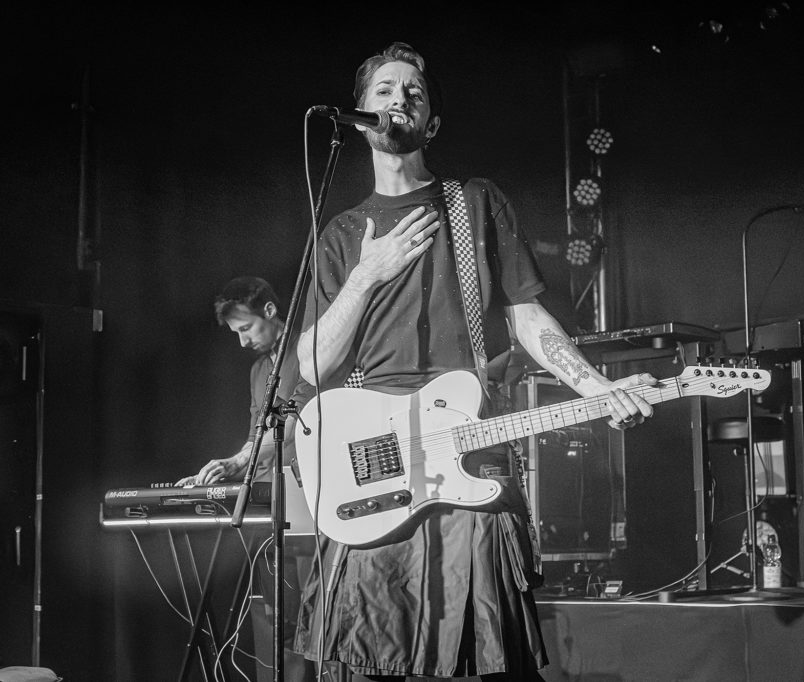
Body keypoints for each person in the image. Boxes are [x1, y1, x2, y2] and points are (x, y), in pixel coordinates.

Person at [293, 42, 655, 681]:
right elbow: (312, 367)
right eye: (384, 91)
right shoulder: (343, 235)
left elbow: (529, 319)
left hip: (470, 455)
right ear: (360, 117)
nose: (399, 99)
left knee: (491, 662)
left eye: (413, 92)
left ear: (431, 123)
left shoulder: (475, 203)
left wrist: (597, 386)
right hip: (375, 468)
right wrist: (367, 274)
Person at [176, 276, 315, 682]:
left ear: (270, 311)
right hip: (276, 503)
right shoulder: (258, 370)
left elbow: (294, 422)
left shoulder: (308, 351)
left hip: (313, 498)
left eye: (246, 328)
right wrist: (228, 468)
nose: (242, 342)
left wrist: (239, 460)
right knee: (282, 620)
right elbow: (258, 434)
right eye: (236, 333)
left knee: (319, 617)